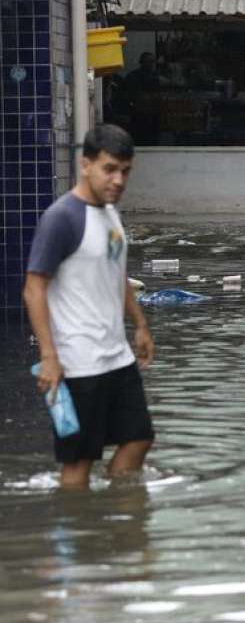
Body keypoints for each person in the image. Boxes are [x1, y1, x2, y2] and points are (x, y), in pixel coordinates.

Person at [22, 124, 155, 490]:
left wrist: (140, 324)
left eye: (125, 171)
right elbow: (34, 289)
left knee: (139, 438)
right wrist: (49, 356)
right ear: (86, 165)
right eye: (109, 169)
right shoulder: (61, 218)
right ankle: (80, 536)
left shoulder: (111, 213)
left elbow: (117, 273)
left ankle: (114, 520)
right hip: (78, 363)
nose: (118, 180)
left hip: (117, 357)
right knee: (79, 464)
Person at [123, 52, 161, 146]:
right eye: (148, 61)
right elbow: (127, 96)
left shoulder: (155, 76)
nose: (150, 64)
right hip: (138, 113)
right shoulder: (133, 77)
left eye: (152, 62)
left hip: (152, 113)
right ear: (141, 62)